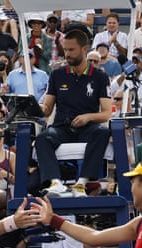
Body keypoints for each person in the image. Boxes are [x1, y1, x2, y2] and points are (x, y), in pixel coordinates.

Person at [36, 26, 111, 195]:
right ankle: (55, 183)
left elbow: (107, 113)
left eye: (71, 50)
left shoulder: (99, 76)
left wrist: (88, 117)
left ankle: (82, 182)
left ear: (84, 49)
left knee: (102, 133)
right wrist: (34, 108)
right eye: (65, 49)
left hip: (87, 128)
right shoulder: (57, 75)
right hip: (62, 127)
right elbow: (47, 109)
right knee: (42, 138)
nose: (67, 54)